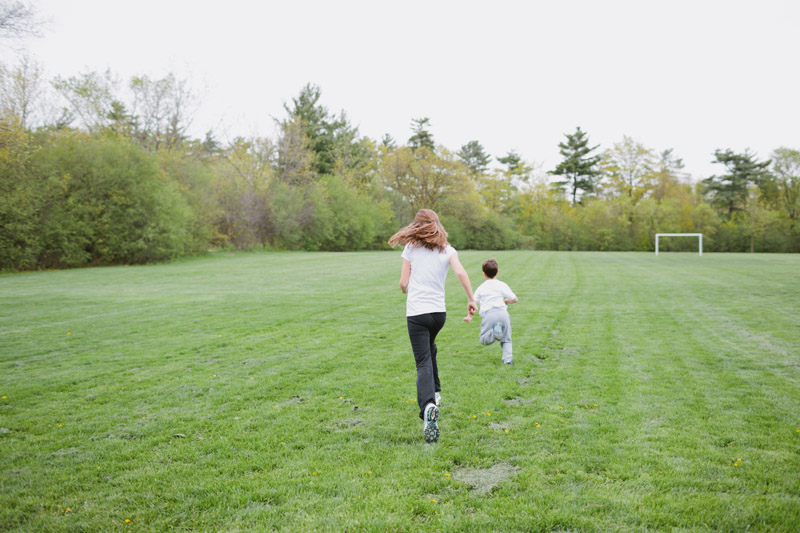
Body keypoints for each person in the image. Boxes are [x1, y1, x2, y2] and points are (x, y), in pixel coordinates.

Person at [389, 209, 477, 443]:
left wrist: (405, 289)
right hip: (439, 314)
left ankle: (428, 406)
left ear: (417, 226)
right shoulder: (448, 250)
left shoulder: (411, 249)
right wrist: (471, 299)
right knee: (431, 348)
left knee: (422, 361)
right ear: (437, 225)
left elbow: (403, 282)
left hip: (417, 313)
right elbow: (460, 271)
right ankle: (436, 393)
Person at [464, 258, 518, 365]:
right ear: (497, 272)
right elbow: (515, 299)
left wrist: (469, 315)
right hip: (503, 314)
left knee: (484, 340)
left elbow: (473, 303)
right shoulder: (502, 285)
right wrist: (506, 301)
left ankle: (496, 333)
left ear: (484, 274)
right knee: (506, 338)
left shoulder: (481, 287)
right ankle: (507, 360)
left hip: (490, 315)